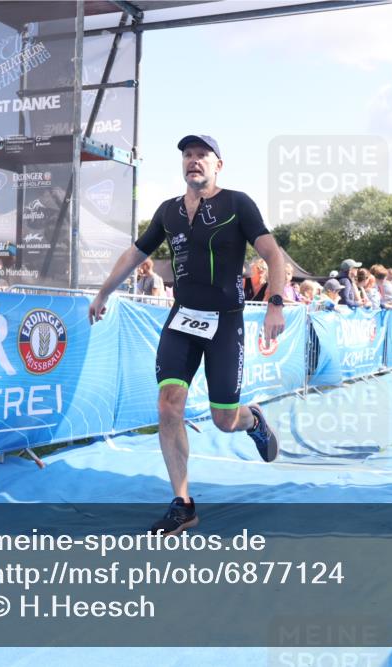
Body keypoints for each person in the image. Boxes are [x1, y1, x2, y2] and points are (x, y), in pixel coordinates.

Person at [88, 134, 285, 536]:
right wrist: (105, 290)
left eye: (202, 156)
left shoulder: (237, 204)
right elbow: (135, 254)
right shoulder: (169, 211)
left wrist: (276, 303)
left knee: (224, 419)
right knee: (168, 403)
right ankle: (183, 504)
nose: (194, 161)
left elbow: (273, 255)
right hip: (183, 319)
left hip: (226, 322)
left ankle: (253, 421)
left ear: (218, 165)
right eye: (188, 156)